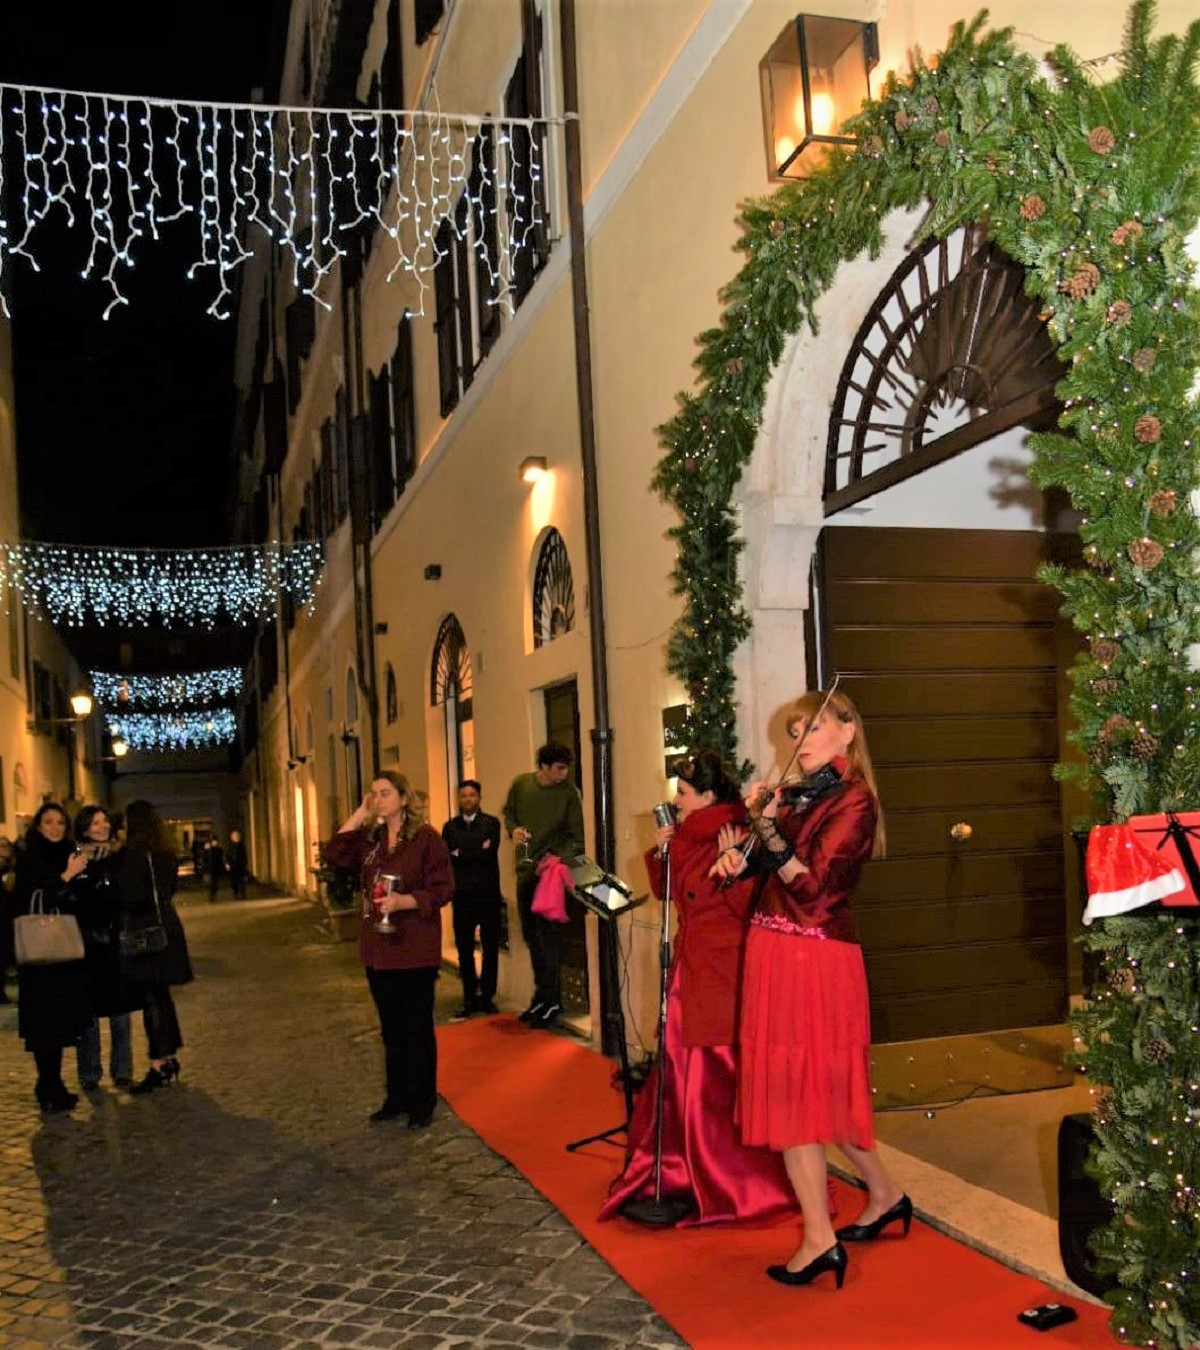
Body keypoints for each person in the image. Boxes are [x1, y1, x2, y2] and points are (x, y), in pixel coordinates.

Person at [714, 688, 909, 1289]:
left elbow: (812, 886)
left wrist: (766, 830)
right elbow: (770, 869)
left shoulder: (855, 800)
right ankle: (885, 1193)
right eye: (795, 731)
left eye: (812, 727)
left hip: (814, 957)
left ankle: (820, 1240)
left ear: (849, 732)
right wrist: (737, 859)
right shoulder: (802, 797)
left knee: (798, 1094)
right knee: (813, 1091)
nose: (799, 741)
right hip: (778, 950)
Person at [601, 750, 796, 1226]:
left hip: (723, 970)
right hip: (693, 965)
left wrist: (732, 867)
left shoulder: (735, 836)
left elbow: (745, 908)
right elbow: (670, 892)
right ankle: (678, 1168)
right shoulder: (693, 836)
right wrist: (663, 847)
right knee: (681, 1070)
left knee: (712, 1078)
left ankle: (728, 1178)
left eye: (684, 794)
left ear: (708, 796)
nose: (677, 801)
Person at [324, 770, 454, 1128]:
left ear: (403, 798)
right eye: (373, 794)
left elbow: (443, 888)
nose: (378, 799)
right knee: (391, 1028)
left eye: (384, 793)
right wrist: (360, 813)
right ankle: (395, 1098)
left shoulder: (427, 840)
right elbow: (335, 854)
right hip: (378, 949)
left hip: (414, 946)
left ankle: (421, 1102)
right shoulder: (370, 842)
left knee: (417, 1028)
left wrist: (406, 901)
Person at [13, 803, 92, 1112]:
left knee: (60, 1024)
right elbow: (34, 899)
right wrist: (67, 876)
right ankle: (47, 1084)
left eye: (60, 822)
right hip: (39, 955)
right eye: (48, 822)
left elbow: (82, 897)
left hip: (63, 952)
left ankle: (53, 1084)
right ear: (38, 826)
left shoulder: (69, 852)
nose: (55, 828)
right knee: (43, 1024)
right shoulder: (30, 857)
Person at [503, 742, 585, 1027]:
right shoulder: (521, 785)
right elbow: (509, 814)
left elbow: (577, 838)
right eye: (559, 768)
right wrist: (513, 830)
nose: (564, 774)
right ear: (545, 766)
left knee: (549, 941)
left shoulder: (569, 795)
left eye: (566, 768)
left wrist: (554, 859)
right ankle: (541, 998)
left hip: (551, 877)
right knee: (531, 938)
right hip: (525, 871)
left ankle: (553, 1002)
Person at [117, 800, 194, 1094]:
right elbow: (169, 890)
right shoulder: (164, 854)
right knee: (162, 998)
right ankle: (169, 1057)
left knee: (152, 1000)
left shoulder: (135, 856)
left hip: (146, 934)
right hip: (168, 930)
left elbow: (131, 897)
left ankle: (158, 1064)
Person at [70, 806, 135, 1091]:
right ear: (85, 829)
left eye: (105, 821)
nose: (103, 826)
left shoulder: (119, 857)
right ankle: (89, 1073)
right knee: (89, 1015)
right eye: (95, 823)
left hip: (115, 941)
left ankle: (123, 1070)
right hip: (86, 943)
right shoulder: (76, 859)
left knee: (121, 1014)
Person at [442, 780, 504, 1018]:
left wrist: (462, 853)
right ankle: (469, 998)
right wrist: (476, 850)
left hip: (488, 896)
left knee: (490, 950)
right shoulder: (450, 827)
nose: (468, 799)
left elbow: (489, 853)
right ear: (459, 799)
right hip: (463, 897)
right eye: (463, 795)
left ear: (479, 797)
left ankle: (487, 997)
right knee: (464, 951)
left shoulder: (491, 823)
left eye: (472, 795)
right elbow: (449, 857)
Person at [0, 835, 17, 1004]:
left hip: (8, 918)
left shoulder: (13, 868)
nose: (4, 848)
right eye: (1, 845)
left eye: (6, 845)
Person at [227, 829, 249, 899]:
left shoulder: (241, 846)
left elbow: (244, 856)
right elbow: (227, 856)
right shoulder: (230, 847)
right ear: (232, 837)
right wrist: (227, 864)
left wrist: (245, 864)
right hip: (233, 867)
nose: (236, 837)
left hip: (240, 866)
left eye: (237, 836)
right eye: (234, 836)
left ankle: (243, 894)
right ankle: (236, 894)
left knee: (241, 881)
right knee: (234, 882)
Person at [204, 836, 226, 902]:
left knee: (214, 882)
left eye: (215, 841)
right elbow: (206, 858)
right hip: (211, 868)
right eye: (213, 841)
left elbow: (220, 859)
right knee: (213, 882)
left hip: (216, 868)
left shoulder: (219, 849)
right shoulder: (210, 850)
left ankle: (213, 895)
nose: (214, 843)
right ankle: (212, 895)